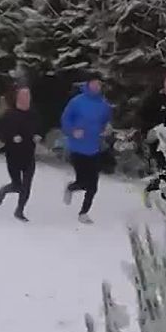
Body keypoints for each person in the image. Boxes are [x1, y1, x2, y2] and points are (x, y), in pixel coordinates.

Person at [60, 77, 113, 224]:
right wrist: (73, 131)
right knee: (83, 182)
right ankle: (71, 187)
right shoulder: (77, 102)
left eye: (98, 85)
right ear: (88, 85)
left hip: (94, 148)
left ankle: (83, 213)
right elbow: (65, 120)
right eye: (93, 84)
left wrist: (107, 129)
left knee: (93, 186)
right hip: (77, 148)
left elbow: (106, 122)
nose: (96, 87)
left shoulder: (104, 105)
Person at [0, 87, 45, 222]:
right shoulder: (9, 114)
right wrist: (11, 137)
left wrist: (39, 135)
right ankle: (4, 190)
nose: (25, 101)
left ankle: (19, 210)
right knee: (17, 185)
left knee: (26, 186)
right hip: (13, 155)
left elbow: (41, 128)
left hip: (29, 154)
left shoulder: (34, 114)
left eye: (27, 98)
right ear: (17, 99)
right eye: (22, 98)